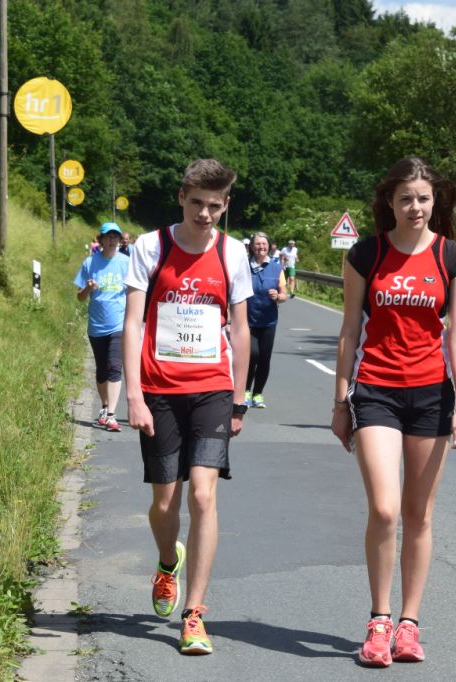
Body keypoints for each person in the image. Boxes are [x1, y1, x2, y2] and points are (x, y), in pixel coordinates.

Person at [331, 158, 456, 667]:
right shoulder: (365, 255)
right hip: (376, 392)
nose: (416, 207)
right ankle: (379, 620)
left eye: (424, 198)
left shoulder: (452, 258)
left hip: (433, 396)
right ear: (389, 202)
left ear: (436, 202)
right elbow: (350, 331)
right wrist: (340, 399)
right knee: (386, 509)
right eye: (406, 198)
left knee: (419, 514)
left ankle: (409, 625)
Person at [122, 159, 253, 655]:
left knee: (202, 496)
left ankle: (195, 615)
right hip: (157, 389)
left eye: (214, 206)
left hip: (212, 389)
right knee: (164, 503)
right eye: (196, 203)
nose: (204, 214)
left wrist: (239, 399)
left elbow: (239, 331)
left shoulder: (233, 253)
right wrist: (132, 394)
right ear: (181, 197)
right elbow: (132, 324)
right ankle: (166, 562)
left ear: (225, 205)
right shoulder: (150, 247)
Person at [74, 222, 130, 432]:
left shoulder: (126, 262)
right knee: (102, 370)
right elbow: (79, 298)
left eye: (116, 237)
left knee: (115, 366)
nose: (112, 240)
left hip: (119, 324)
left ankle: (112, 414)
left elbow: (135, 292)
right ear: (101, 240)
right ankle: (105, 407)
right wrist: (87, 288)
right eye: (108, 236)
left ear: (119, 240)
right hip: (97, 325)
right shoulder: (90, 263)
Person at [244, 232, 286, 408]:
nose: (261, 247)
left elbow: (284, 295)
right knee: (252, 354)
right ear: (252, 247)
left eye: (264, 244)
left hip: (268, 320)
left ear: (269, 246)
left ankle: (258, 394)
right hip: (247, 320)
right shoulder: (244, 266)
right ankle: (245, 391)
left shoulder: (277, 268)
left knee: (264, 358)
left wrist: (278, 296)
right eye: (258, 244)